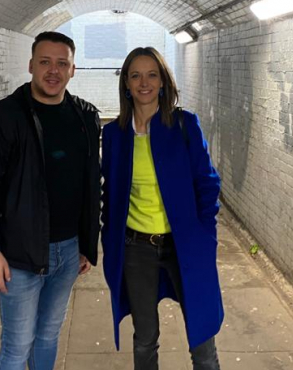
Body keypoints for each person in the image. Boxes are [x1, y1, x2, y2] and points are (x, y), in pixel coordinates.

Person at [0, 31, 101, 370]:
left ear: (73, 70)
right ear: (30, 65)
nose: (52, 71)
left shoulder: (85, 116)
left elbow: (89, 184)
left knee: (48, 334)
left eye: (61, 63)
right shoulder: (2, 117)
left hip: (69, 251)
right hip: (18, 254)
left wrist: (87, 241)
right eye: (44, 62)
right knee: (17, 345)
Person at [101, 47, 223, 370]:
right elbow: (108, 194)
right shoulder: (114, 135)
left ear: (163, 82)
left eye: (152, 74)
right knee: (144, 339)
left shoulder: (184, 125)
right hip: (136, 248)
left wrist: (205, 235)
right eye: (136, 75)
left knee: (202, 340)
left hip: (183, 245)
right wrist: (107, 239)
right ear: (126, 83)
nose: (144, 83)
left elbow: (207, 183)